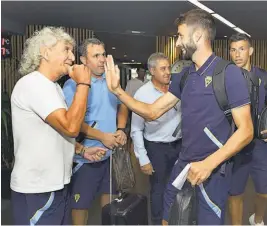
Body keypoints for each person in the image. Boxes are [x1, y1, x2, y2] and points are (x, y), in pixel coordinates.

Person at [104, 9, 254, 225]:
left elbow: (246, 131)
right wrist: (118, 91)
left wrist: (208, 164)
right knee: (169, 220)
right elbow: (152, 111)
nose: (177, 43)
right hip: (183, 164)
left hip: (212, 170)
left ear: (198, 36)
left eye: (181, 36)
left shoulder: (228, 73)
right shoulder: (184, 75)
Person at [10, 27, 106, 225]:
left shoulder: (52, 87)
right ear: (46, 53)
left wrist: (81, 149)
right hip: (38, 189)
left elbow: (57, 131)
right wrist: (83, 84)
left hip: (56, 185)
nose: (72, 57)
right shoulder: (33, 84)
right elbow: (71, 127)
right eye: (66, 50)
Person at [63, 38, 128, 225]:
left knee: (110, 204)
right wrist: (103, 137)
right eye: (96, 55)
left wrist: (121, 128)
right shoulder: (72, 85)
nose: (102, 60)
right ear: (84, 60)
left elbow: (123, 105)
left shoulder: (111, 82)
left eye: (103, 54)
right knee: (80, 207)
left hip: (110, 157)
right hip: (85, 159)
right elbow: (71, 123)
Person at [228, 33, 267, 226]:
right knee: (235, 193)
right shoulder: (225, 78)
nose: (237, 54)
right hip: (234, 143)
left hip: (259, 142)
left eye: (241, 49)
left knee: (266, 192)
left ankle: (257, 219)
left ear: (250, 51)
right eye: (233, 50)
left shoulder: (265, 77)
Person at [131, 52, 182, 224]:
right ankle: (158, 221)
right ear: (152, 71)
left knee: (179, 186)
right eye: (163, 69)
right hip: (156, 148)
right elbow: (136, 129)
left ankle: (176, 219)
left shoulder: (177, 88)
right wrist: (143, 158)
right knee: (158, 189)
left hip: (179, 146)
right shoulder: (142, 94)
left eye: (169, 68)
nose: (168, 72)